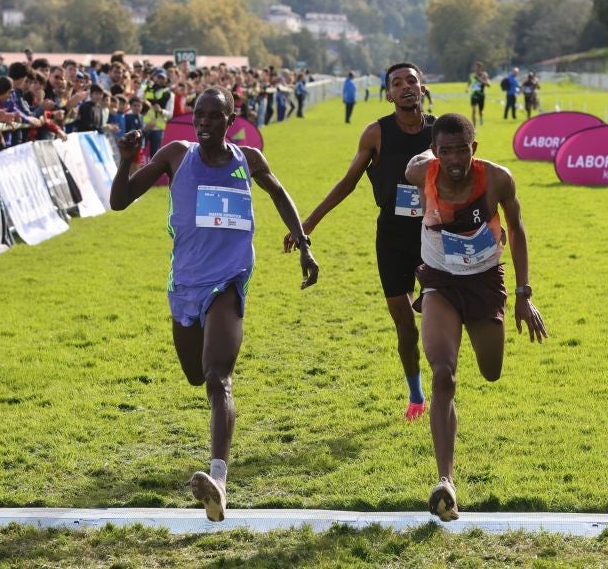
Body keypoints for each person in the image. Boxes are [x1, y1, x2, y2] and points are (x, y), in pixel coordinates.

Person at [109, 86, 319, 523]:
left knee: (217, 378)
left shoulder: (248, 160)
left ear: (231, 119)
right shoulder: (175, 155)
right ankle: (217, 468)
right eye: (198, 116)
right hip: (185, 281)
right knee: (194, 374)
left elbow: (279, 194)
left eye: (212, 116)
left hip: (230, 277)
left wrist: (303, 244)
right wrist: (127, 158)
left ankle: (219, 480)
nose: (203, 123)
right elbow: (120, 200)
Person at [404, 112, 547, 522]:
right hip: (440, 283)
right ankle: (445, 481)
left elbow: (517, 231)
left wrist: (523, 295)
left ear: (474, 148)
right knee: (443, 373)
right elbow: (412, 163)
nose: (453, 158)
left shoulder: (497, 179)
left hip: (485, 281)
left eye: (461, 149)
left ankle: (446, 475)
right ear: (434, 152)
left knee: (490, 370)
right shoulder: (422, 172)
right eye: (444, 150)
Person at [286, 62, 434, 420]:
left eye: (411, 80)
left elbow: (469, 177)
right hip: (393, 236)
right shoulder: (376, 133)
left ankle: (443, 376)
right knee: (404, 322)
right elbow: (349, 181)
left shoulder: (440, 130)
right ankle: (416, 395)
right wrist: (308, 223)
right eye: (397, 83)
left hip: (433, 233)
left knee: (436, 313)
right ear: (388, 94)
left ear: (421, 86)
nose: (405, 87)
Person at [467, 62, 490, 126]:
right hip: (474, 95)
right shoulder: (472, 75)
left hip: (481, 95)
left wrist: (480, 79)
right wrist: (467, 88)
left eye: (478, 67)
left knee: (480, 111)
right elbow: (469, 82)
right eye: (476, 67)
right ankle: (474, 126)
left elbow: (488, 84)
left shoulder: (484, 75)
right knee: (473, 110)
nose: (477, 68)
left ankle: (481, 117)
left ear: (480, 68)